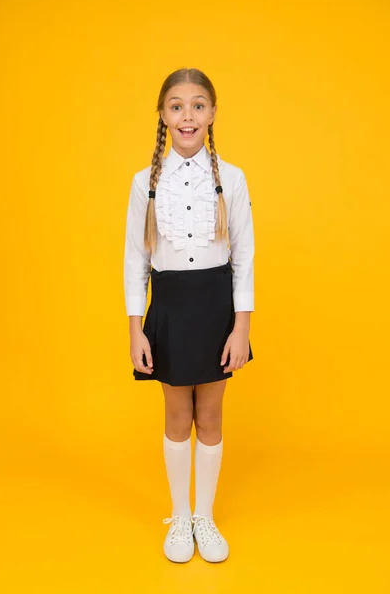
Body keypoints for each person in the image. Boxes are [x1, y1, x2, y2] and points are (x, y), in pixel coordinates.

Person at [124, 67, 255, 563]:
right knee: (178, 415)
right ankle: (180, 516)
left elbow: (244, 256)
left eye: (198, 105)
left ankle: (206, 516)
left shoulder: (233, 179)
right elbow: (134, 259)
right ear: (163, 114)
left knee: (212, 414)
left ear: (213, 114)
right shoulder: (144, 183)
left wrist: (241, 326)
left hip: (216, 307)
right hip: (171, 308)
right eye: (177, 106)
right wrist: (135, 329)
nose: (187, 115)